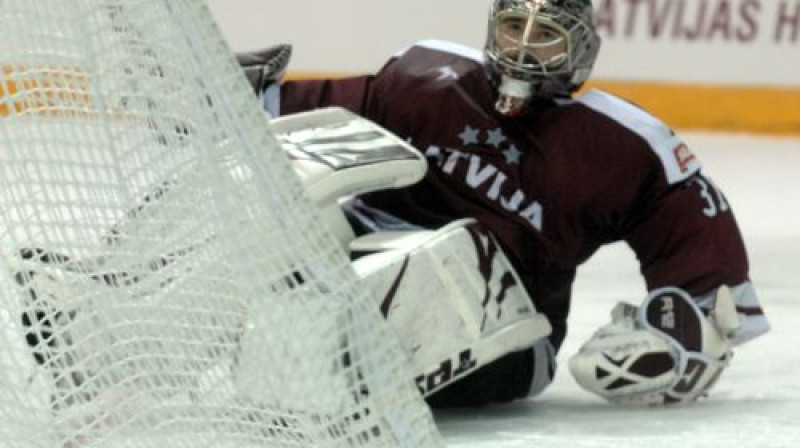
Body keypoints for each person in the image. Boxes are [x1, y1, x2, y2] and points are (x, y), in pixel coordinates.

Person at [241, 0, 770, 406]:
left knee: (453, 254)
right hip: (366, 275)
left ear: (581, 50)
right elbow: (304, 116)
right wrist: (236, 96)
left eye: (545, 36)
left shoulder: (621, 146)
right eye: (513, 27)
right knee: (293, 219)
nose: (521, 49)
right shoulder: (428, 79)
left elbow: (697, 241)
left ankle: (321, 359)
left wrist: (693, 325)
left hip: (509, 337)